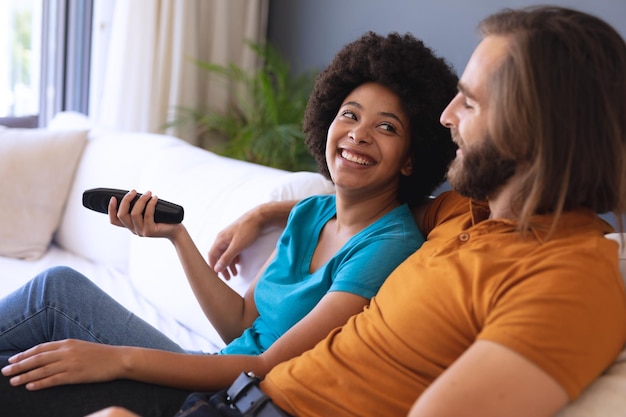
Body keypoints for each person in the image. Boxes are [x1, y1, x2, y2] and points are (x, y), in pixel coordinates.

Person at [168, 5, 626, 417]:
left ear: (535, 131)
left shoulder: (569, 279)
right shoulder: (462, 213)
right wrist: (270, 213)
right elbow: (362, 205)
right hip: (231, 399)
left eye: (469, 102)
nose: (446, 117)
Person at [0, 32, 459, 416]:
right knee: (55, 290)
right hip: (213, 366)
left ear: (411, 160)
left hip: (227, 400)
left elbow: (263, 364)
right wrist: (177, 238)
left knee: (16, 380)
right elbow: (240, 325)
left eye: (387, 128)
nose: (359, 133)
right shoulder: (310, 213)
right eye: (351, 115)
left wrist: (116, 359)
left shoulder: (388, 247)